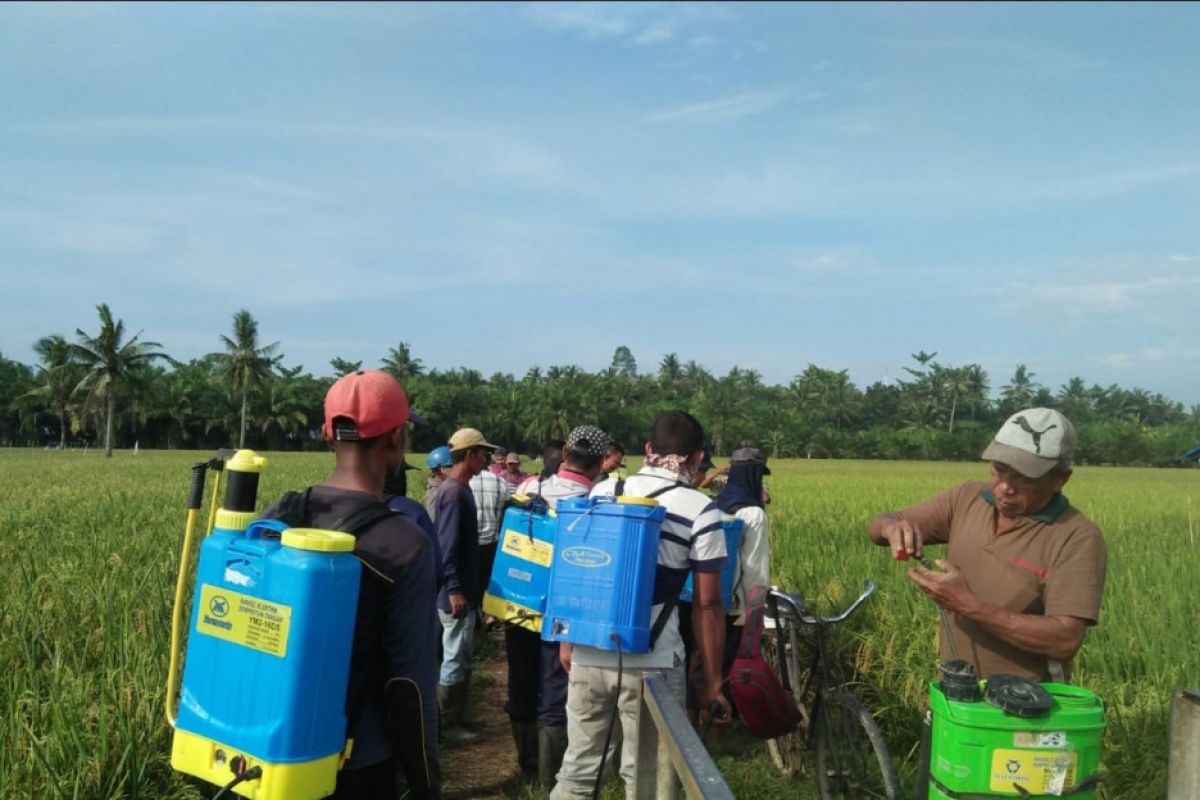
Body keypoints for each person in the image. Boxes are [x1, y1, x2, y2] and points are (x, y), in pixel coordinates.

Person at [267, 370, 440, 800]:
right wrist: (424, 781)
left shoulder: (279, 516)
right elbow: (409, 686)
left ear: (329, 434)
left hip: (268, 754)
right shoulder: (405, 544)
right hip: (356, 763)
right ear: (396, 439)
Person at [551, 411, 731, 800]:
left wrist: (568, 642)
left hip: (587, 651)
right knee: (647, 780)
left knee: (578, 773)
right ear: (698, 458)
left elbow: (579, 571)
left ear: (648, 450)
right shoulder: (702, 511)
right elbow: (708, 604)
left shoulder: (601, 493)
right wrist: (714, 681)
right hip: (653, 662)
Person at [867, 408, 1107, 683]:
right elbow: (879, 526)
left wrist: (967, 605)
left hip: (1027, 707)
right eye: (999, 469)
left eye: (1024, 478)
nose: (1005, 487)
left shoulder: (1076, 537)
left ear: (1060, 478)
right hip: (954, 696)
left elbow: (1064, 640)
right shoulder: (967, 499)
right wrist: (891, 527)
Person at [505, 425, 612, 789]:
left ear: (564, 455)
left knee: (521, 682)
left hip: (518, 603)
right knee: (554, 692)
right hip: (566, 612)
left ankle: (527, 766)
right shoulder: (598, 502)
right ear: (600, 463)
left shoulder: (528, 487)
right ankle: (548, 779)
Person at [435, 427, 498, 744]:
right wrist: (456, 589)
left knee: (461, 654)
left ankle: (457, 714)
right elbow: (446, 549)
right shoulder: (455, 493)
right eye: (483, 453)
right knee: (454, 657)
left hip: (463, 593)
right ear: (470, 455)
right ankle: (445, 726)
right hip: (454, 596)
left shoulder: (459, 489)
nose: (486, 459)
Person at [715, 448, 771, 675]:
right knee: (729, 671)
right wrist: (755, 611)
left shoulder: (716, 503)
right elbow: (754, 567)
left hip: (704, 602)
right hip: (734, 609)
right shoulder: (753, 514)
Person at [469, 454, 512, 617]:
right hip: (493, 541)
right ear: (490, 463)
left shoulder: (468, 481)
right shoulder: (500, 481)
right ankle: (489, 615)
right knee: (488, 581)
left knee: (472, 581)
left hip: (472, 541)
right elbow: (507, 508)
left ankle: (475, 618)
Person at [424, 445, 453, 520]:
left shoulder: (444, 487)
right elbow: (433, 522)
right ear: (443, 468)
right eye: (453, 465)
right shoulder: (437, 494)